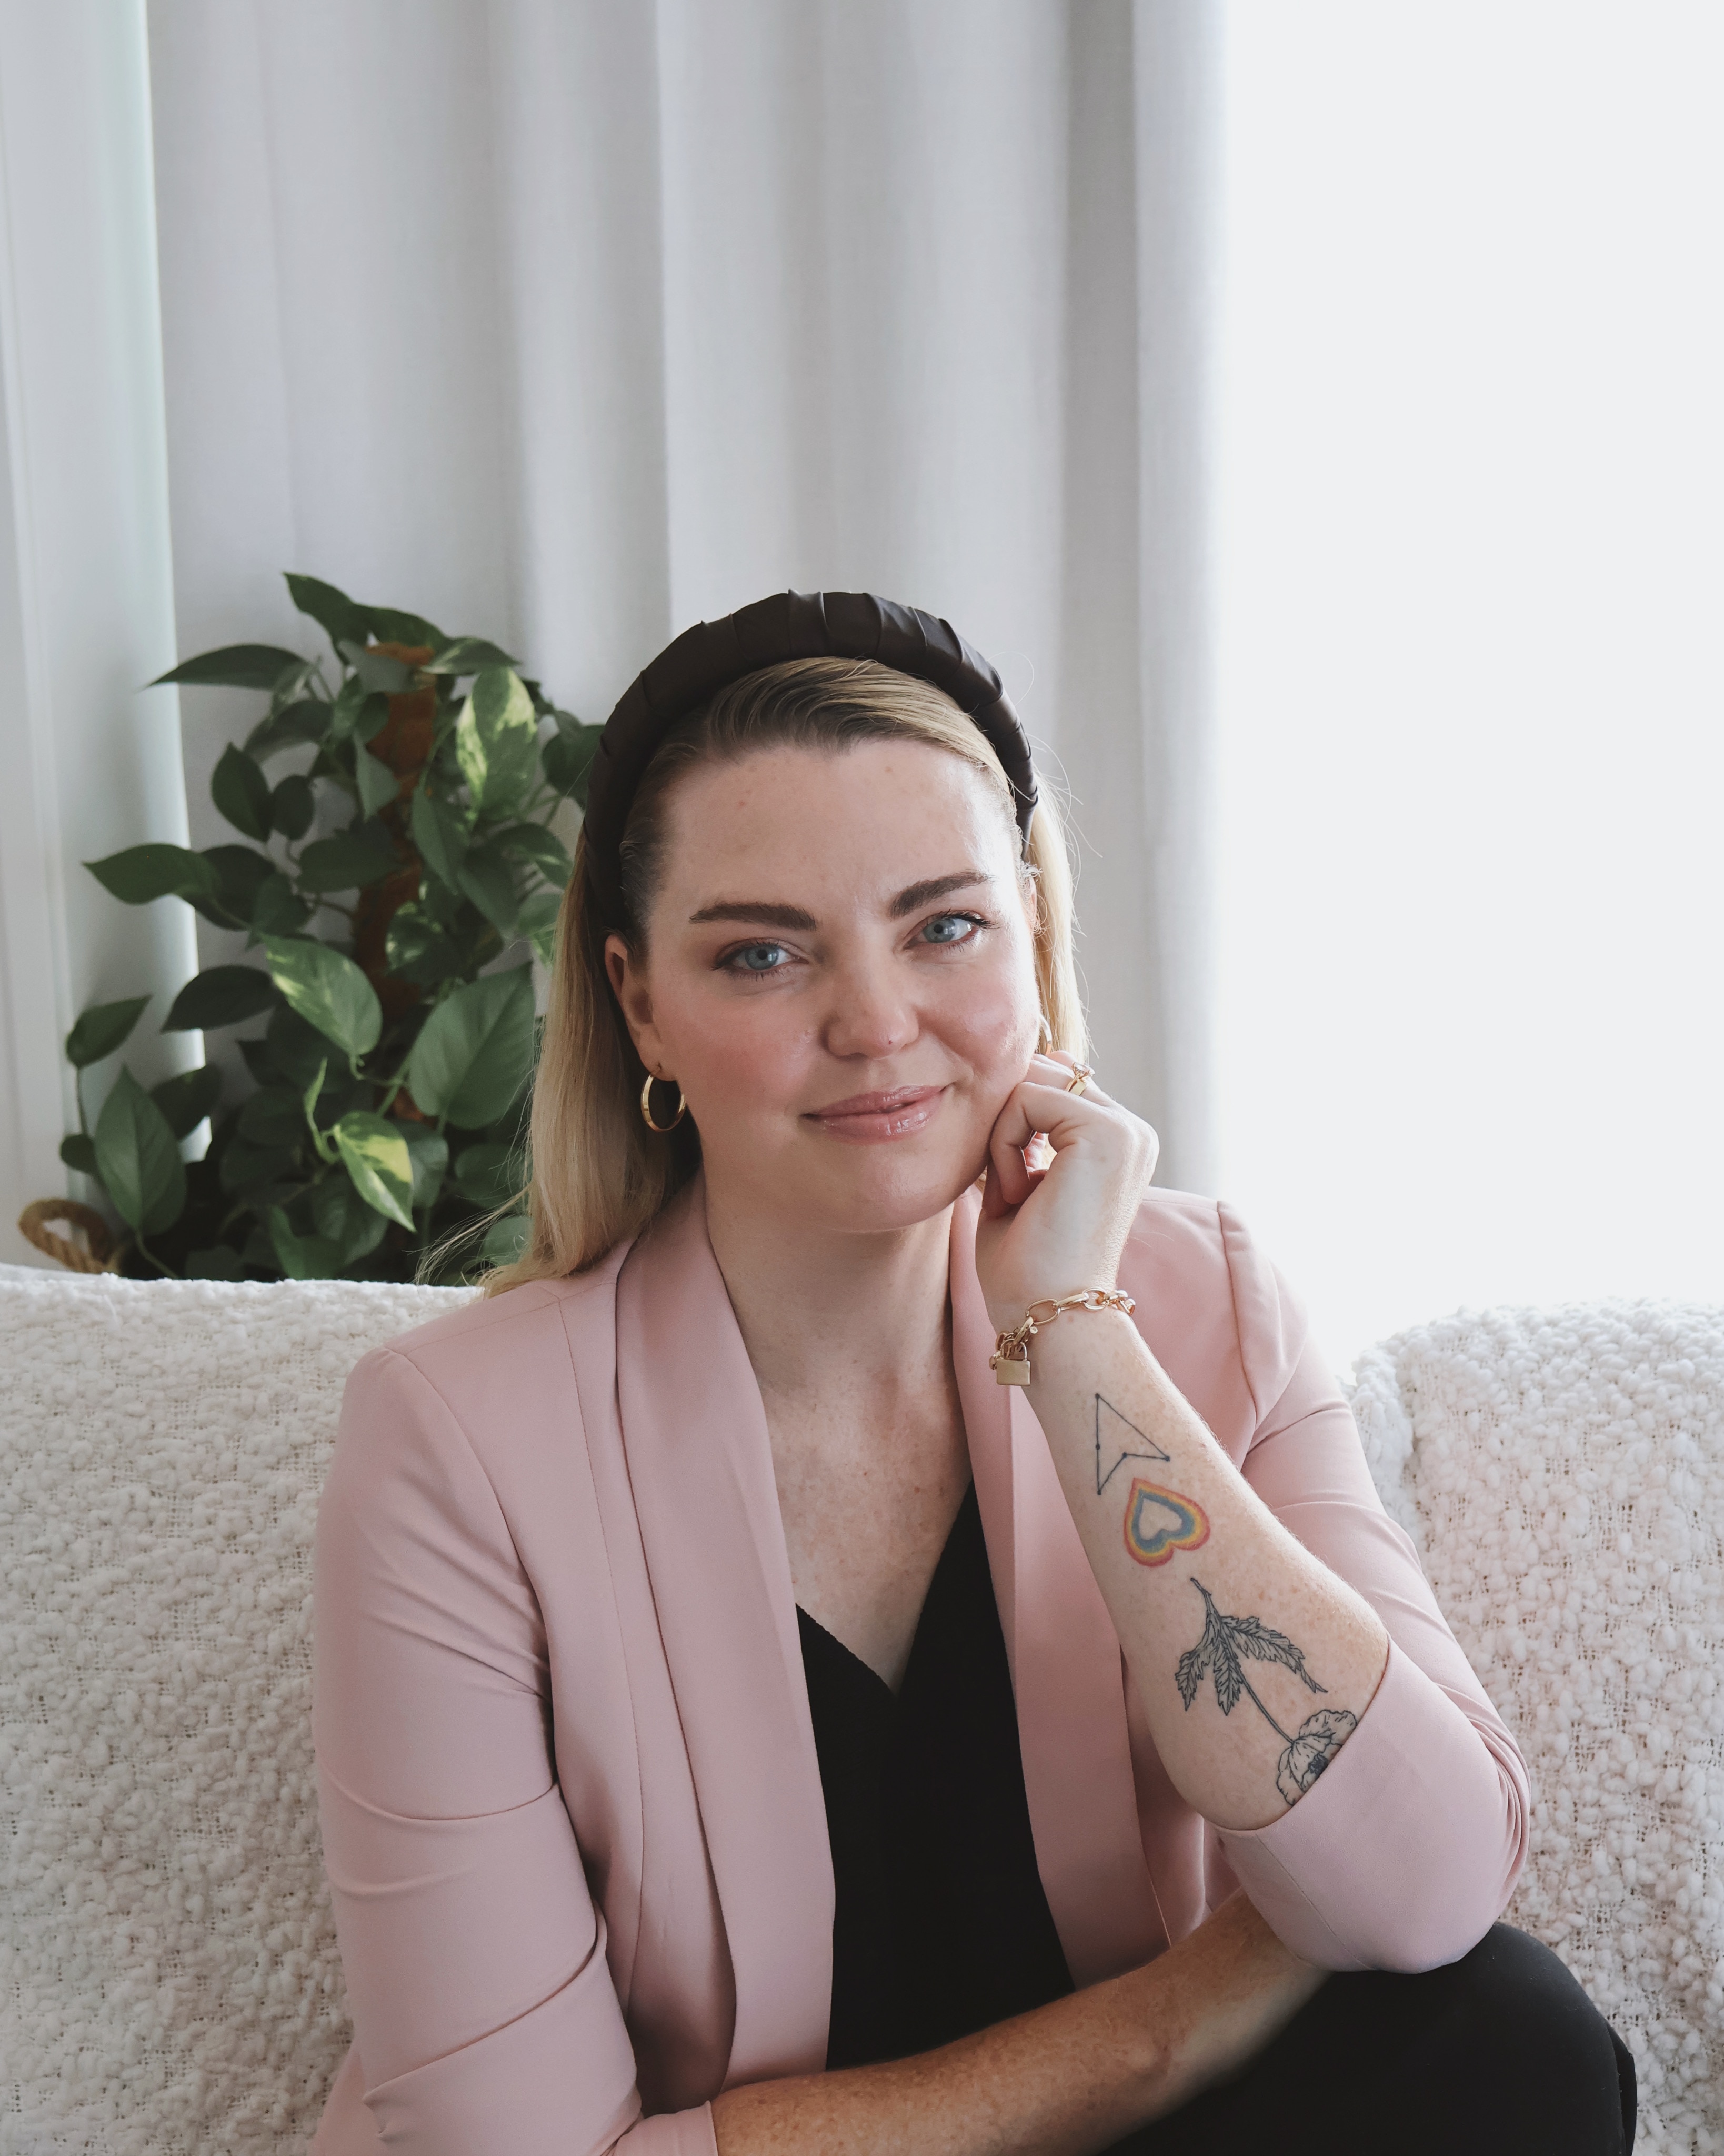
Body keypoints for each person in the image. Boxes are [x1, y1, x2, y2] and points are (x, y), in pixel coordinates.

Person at [310, 593, 1635, 2155]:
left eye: (943, 927)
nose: (876, 1026)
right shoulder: (459, 1440)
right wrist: (1166, 2026)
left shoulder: (1202, 1296)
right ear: (639, 1002)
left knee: (1507, 2041)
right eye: (759, 954)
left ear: (1034, 935)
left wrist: (1071, 1323)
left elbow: (1420, 1894)